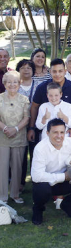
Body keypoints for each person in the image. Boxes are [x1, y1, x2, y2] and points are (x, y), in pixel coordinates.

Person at [31, 119, 71, 225]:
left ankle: (68, 205)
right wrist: (64, 176)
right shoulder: (40, 148)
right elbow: (36, 176)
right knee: (41, 190)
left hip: (68, 179)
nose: (59, 136)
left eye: (62, 132)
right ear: (47, 133)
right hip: (48, 182)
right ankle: (38, 209)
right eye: (55, 132)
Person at [28, 58, 71, 141]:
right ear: (50, 72)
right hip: (46, 134)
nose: (57, 74)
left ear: (65, 71)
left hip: (66, 133)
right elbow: (34, 107)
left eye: (60, 71)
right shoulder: (42, 87)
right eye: (54, 71)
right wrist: (31, 128)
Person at [0, 71, 29, 203]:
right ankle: (3, 196)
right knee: (2, 167)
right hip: (3, 137)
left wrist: (15, 129)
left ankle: (15, 194)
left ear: (19, 83)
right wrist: (5, 128)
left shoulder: (24, 100)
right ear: (4, 84)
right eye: (9, 82)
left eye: (15, 81)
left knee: (17, 167)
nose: (12, 84)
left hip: (19, 136)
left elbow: (26, 118)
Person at [16, 59, 39, 188]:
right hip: (18, 124)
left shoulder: (38, 85)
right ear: (18, 70)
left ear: (33, 71)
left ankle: (36, 181)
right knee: (21, 155)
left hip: (35, 124)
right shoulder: (15, 84)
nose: (26, 70)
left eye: (29, 68)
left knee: (35, 153)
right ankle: (20, 183)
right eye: (23, 67)